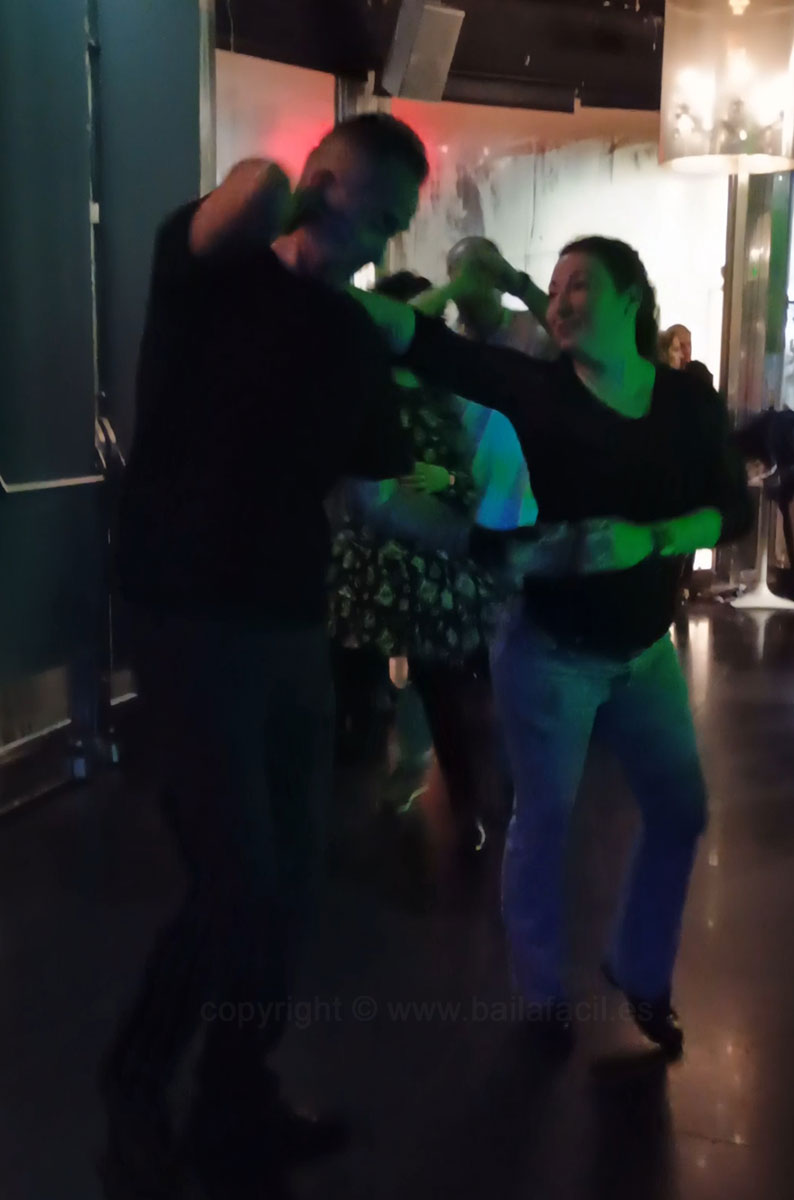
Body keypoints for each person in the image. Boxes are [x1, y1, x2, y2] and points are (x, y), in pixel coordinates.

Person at [105, 115, 430, 1192]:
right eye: (380, 214)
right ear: (327, 183)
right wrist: (297, 188)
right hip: (184, 613)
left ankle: (234, 1096)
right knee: (234, 877)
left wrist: (485, 524)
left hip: (289, 620)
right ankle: (136, 1087)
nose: (382, 242)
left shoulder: (350, 337)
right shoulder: (210, 269)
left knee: (289, 880)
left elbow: (379, 495)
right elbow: (249, 193)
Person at [352, 236, 752, 1057]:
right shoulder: (539, 391)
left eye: (581, 285)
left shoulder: (685, 401)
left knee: (680, 809)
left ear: (633, 297)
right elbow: (423, 342)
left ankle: (640, 970)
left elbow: (732, 510)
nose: (561, 300)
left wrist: (653, 538)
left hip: (644, 653)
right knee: (545, 819)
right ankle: (541, 996)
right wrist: (321, 283)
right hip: (549, 649)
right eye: (556, 286)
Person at [329, 270, 508, 855]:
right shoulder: (366, 384)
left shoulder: (445, 394)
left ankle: (463, 805)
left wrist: (446, 479)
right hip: (373, 560)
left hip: (431, 560)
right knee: (356, 692)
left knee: (441, 690)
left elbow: (475, 480)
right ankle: (342, 814)